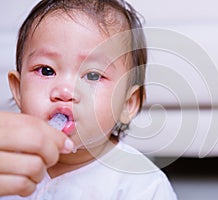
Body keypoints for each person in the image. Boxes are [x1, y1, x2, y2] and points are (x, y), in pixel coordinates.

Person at [0, 0, 177, 199]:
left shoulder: (142, 185)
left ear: (127, 104)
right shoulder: (7, 162)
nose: (65, 91)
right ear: (18, 89)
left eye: (93, 76)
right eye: (46, 71)